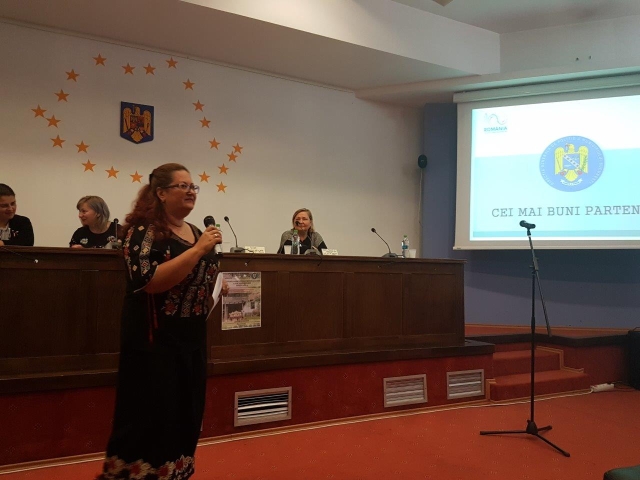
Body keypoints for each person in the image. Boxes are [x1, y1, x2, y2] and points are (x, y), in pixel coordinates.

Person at [98, 163, 223, 480]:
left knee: (185, 414)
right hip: (153, 342)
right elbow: (148, 282)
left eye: (193, 186)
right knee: (151, 416)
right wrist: (198, 251)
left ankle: (175, 474)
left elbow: (200, 279)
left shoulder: (196, 232)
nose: (191, 191)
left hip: (191, 338)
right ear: (161, 193)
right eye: (183, 186)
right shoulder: (143, 232)